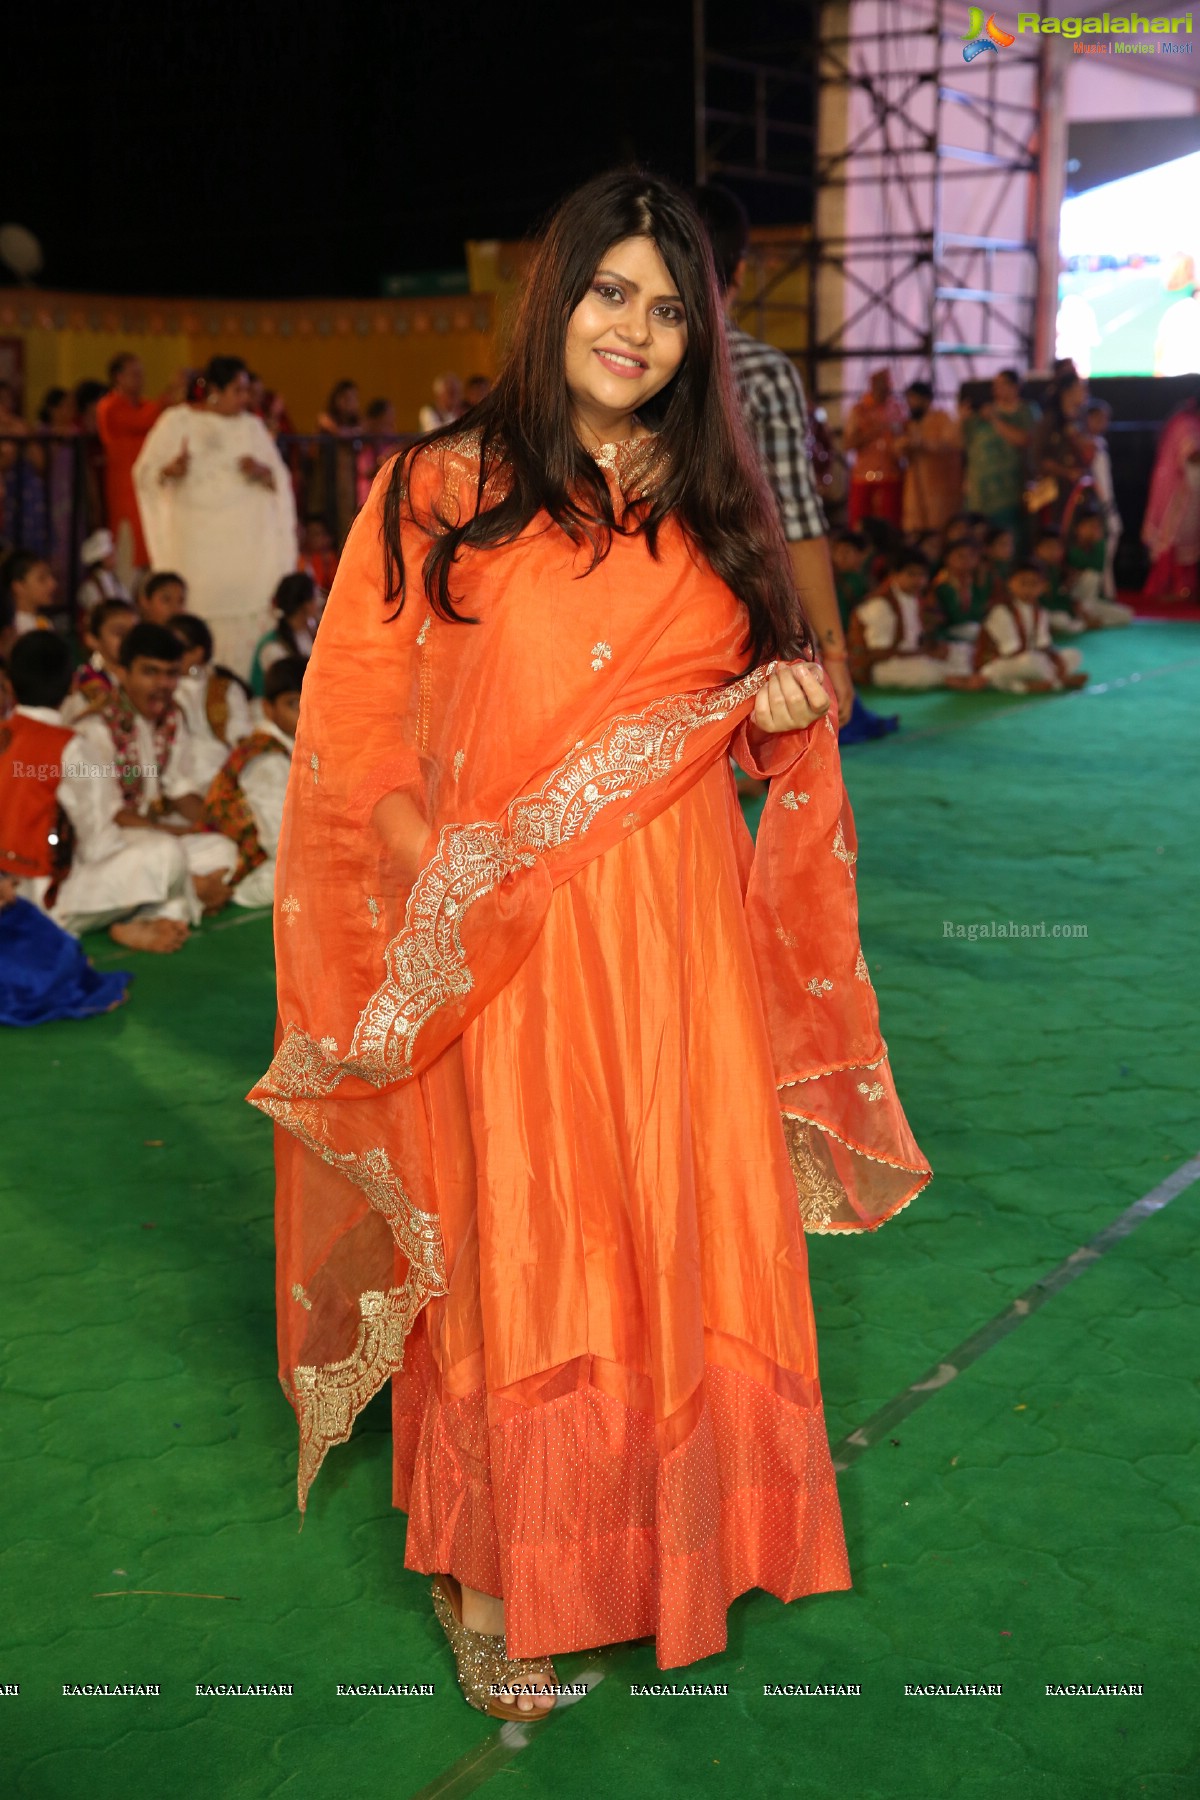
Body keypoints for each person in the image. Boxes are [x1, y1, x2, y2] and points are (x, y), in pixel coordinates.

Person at [248, 169, 930, 1719]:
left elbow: (762, 700)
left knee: (663, 1229)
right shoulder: (441, 490)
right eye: (611, 292)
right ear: (552, 300)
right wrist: (455, 889)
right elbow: (362, 746)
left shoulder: (709, 501)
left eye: (670, 307)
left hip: (678, 942)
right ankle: (500, 1577)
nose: (637, 329)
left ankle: (667, 1540)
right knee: (529, 1243)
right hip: (513, 947)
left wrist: (781, 713)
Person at [692, 182, 857, 736]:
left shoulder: (617, 365)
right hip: (728, 618)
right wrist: (832, 653)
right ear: (738, 272)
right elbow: (799, 523)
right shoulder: (760, 371)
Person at [53, 622, 240, 950]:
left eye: (171, 674)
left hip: (154, 833)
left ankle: (161, 906)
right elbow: (112, 817)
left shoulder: (172, 718)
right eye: (150, 672)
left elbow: (179, 789)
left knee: (223, 849)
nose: (163, 685)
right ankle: (182, 898)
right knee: (165, 856)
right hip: (108, 846)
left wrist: (214, 825)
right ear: (122, 673)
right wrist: (182, 834)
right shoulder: (96, 728)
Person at [132, 356, 297, 680]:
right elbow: (144, 474)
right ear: (215, 391)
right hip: (196, 541)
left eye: (247, 391)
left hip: (245, 544)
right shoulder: (177, 422)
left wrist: (263, 472)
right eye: (238, 390)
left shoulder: (251, 426)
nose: (246, 399)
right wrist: (170, 471)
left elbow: (279, 479)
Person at [0, 636, 132, 1023]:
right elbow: (99, 840)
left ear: (9, 684)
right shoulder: (70, 745)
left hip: (16, 889)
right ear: (72, 684)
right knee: (162, 857)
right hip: (43, 891)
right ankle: (127, 923)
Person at [197, 654, 302, 906]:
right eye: (293, 704)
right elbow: (282, 847)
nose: (306, 713)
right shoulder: (266, 758)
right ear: (268, 708)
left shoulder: (295, 747)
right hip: (243, 872)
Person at [95, 354, 184, 581]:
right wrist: (170, 393)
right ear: (118, 377)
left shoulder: (146, 405)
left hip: (151, 486)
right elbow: (141, 421)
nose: (140, 380)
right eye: (134, 375)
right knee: (129, 553)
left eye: (141, 375)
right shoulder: (109, 407)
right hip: (125, 491)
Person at [848, 549, 975, 688]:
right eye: (912, 574)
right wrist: (926, 653)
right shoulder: (880, 604)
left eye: (922, 575)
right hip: (881, 666)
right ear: (895, 574)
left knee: (963, 652)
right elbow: (878, 654)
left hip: (913, 657)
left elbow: (916, 641)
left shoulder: (915, 599)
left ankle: (951, 676)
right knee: (925, 671)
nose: (919, 581)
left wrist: (934, 648)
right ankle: (951, 678)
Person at [973, 563, 1088, 693]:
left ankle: (1032, 682)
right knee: (1032, 661)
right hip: (1000, 663)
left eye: (1034, 584)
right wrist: (1050, 665)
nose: (1028, 589)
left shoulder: (1040, 612)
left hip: (1031, 661)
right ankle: (1056, 682)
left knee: (1073, 655)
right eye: (1023, 583)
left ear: (1043, 586)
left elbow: (1043, 645)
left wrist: (1058, 660)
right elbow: (1011, 651)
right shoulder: (1001, 611)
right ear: (1010, 584)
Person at [172, 612, 254, 789]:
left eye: (174, 649)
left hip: (223, 771)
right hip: (178, 775)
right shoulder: (165, 689)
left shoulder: (225, 688)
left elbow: (241, 733)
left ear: (197, 653)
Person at [960, 370, 1036, 542]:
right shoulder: (981, 414)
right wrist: (963, 419)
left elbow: (1025, 440)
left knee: (1007, 540)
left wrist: (995, 420)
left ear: (1016, 387)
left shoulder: (1026, 411)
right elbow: (964, 445)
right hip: (979, 494)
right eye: (995, 385)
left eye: (1002, 384)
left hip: (1010, 493)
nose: (996, 389)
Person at [1140, 393, 1200, 606]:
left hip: (1185, 489)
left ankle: (1183, 588)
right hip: (1176, 491)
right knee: (1172, 538)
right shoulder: (1185, 422)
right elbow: (1192, 453)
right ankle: (1168, 587)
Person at [1030, 373, 1091, 536]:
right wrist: (1066, 472)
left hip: (1077, 492)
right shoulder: (1049, 421)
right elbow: (1038, 458)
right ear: (1067, 391)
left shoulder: (1081, 421)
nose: (1086, 392)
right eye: (1081, 388)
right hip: (1053, 495)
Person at [844, 370, 905, 528]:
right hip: (863, 477)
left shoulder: (897, 408)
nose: (886, 389)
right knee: (861, 524)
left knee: (890, 524)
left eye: (887, 385)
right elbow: (847, 443)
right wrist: (875, 430)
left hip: (891, 475)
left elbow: (904, 438)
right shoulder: (859, 410)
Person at [898, 380, 962, 534]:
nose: (910, 403)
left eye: (913, 398)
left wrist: (924, 444)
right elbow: (898, 450)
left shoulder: (942, 418)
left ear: (926, 399)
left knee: (939, 527)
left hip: (939, 487)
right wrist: (904, 445)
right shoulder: (909, 423)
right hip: (915, 487)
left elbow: (953, 443)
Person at [62, 596, 136, 724]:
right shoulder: (84, 682)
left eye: (134, 634)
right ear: (92, 639)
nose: (129, 640)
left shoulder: (137, 677)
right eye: (119, 633)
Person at [248, 572, 321, 697]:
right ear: (305, 605)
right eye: (315, 597)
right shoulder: (272, 647)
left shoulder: (309, 633)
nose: (320, 602)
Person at [1065, 511, 1134, 628]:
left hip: (1091, 601)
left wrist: (1099, 543)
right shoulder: (1070, 549)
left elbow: (1098, 567)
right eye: (1090, 526)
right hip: (1075, 602)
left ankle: (1093, 622)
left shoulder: (1098, 547)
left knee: (1127, 615)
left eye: (1097, 527)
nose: (1094, 530)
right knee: (1090, 576)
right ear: (1079, 528)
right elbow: (1087, 570)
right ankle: (1084, 618)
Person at [1083, 399, 1122, 602]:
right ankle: (1102, 594)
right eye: (1097, 418)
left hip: (1107, 503)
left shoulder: (1100, 443)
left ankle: (1106, 592)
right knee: (1101, 550)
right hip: (1095, 506)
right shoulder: (1085, 444)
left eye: (1105, 419)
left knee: (1110, 545)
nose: (1102, 423)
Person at [931, 537, 991, 643]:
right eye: (960, 556)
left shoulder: (977, 582)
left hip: (972, 630)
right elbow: (956, 618)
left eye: (971, 556)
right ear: (947, 558)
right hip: (948, 634)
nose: (966, 560)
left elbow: (980, 612)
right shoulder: (942, 585)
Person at [75, 528, 131, 628]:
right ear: (102, 559)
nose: (115, 557)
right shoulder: (90, 586)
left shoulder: (115, 581)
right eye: (111, 555)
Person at [3, 551, 57, 638]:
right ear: (18, 586)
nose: (53, 584)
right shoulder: (14, 631)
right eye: (42, 579)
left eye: (51, 577)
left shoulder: (44, 622)